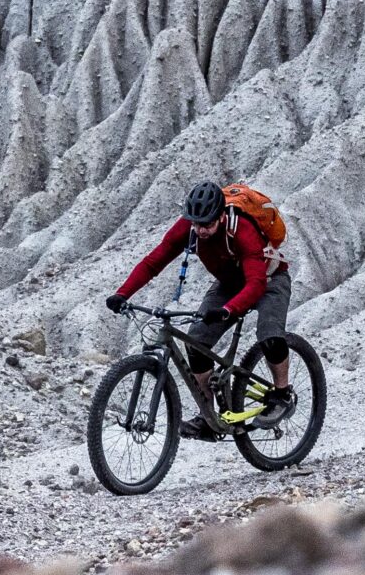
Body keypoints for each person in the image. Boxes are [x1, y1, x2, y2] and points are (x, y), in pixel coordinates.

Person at [105, 179, 294, 438]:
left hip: (269, 280)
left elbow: (256, 284)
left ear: (221, 217)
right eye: (196, 223)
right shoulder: (190, 226)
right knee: (195, 343)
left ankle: (282, 394)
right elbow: (154, 262)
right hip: (229, 283)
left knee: (270, 335)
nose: (200, 230)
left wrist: (228, 310)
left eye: (206, 224)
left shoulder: (242, 229)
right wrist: (122, 293)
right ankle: (209, 417)